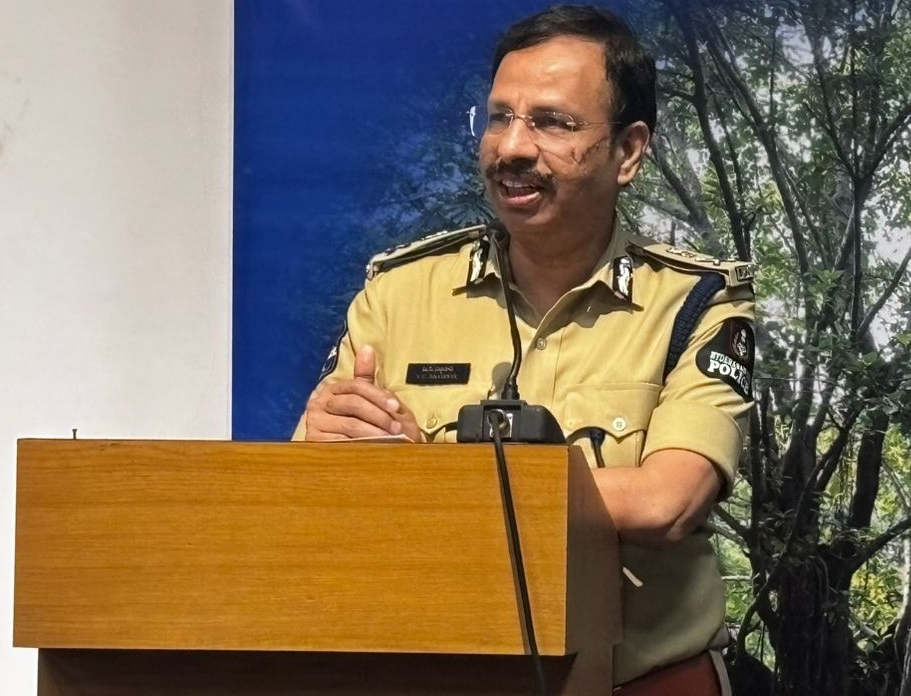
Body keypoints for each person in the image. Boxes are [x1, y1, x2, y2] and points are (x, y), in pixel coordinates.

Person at [293, 5, 755, 694]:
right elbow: (305, 489)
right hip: (435, 676)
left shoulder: (694, 303)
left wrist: (429, 482)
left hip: (641, 682)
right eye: (499, 118)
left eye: (551, 122)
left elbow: (666, 502)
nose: (510, 147)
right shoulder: (398, 294)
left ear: (628, 151)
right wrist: (323, 451)